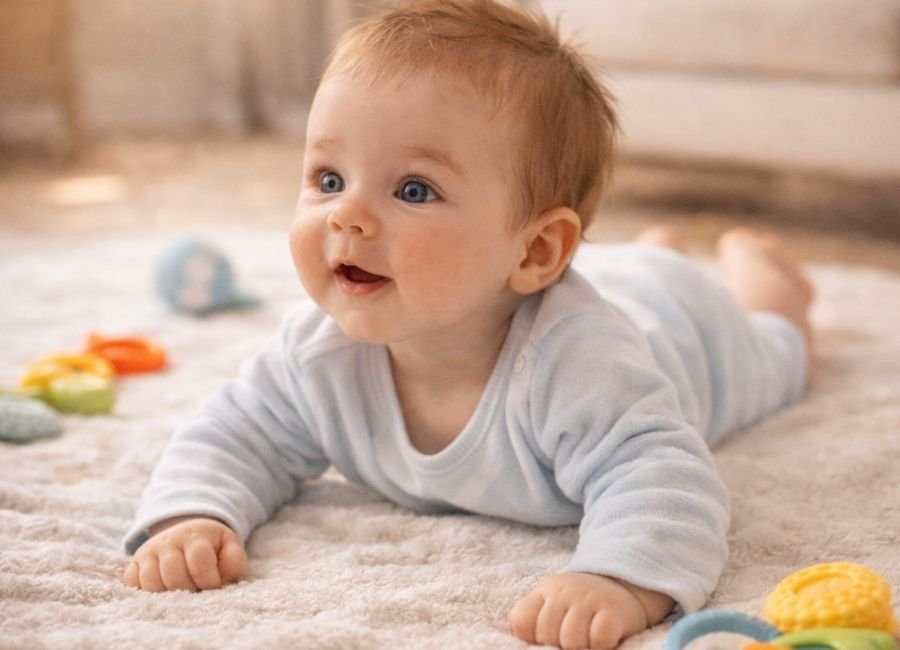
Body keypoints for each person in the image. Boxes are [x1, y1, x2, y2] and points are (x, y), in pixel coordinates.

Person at [122, 1, 814, 648]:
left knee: (781, 356)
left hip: (681, 325)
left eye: (413, 190)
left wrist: (618, 578)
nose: (346, 216)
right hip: (613, 283)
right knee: (638, 266)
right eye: (329, 178)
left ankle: (764, 282)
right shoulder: (318, 353)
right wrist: (195, 515)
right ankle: (653, 247)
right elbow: (237, 432)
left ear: (536, 251)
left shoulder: (581, 368)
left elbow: (667, 480)